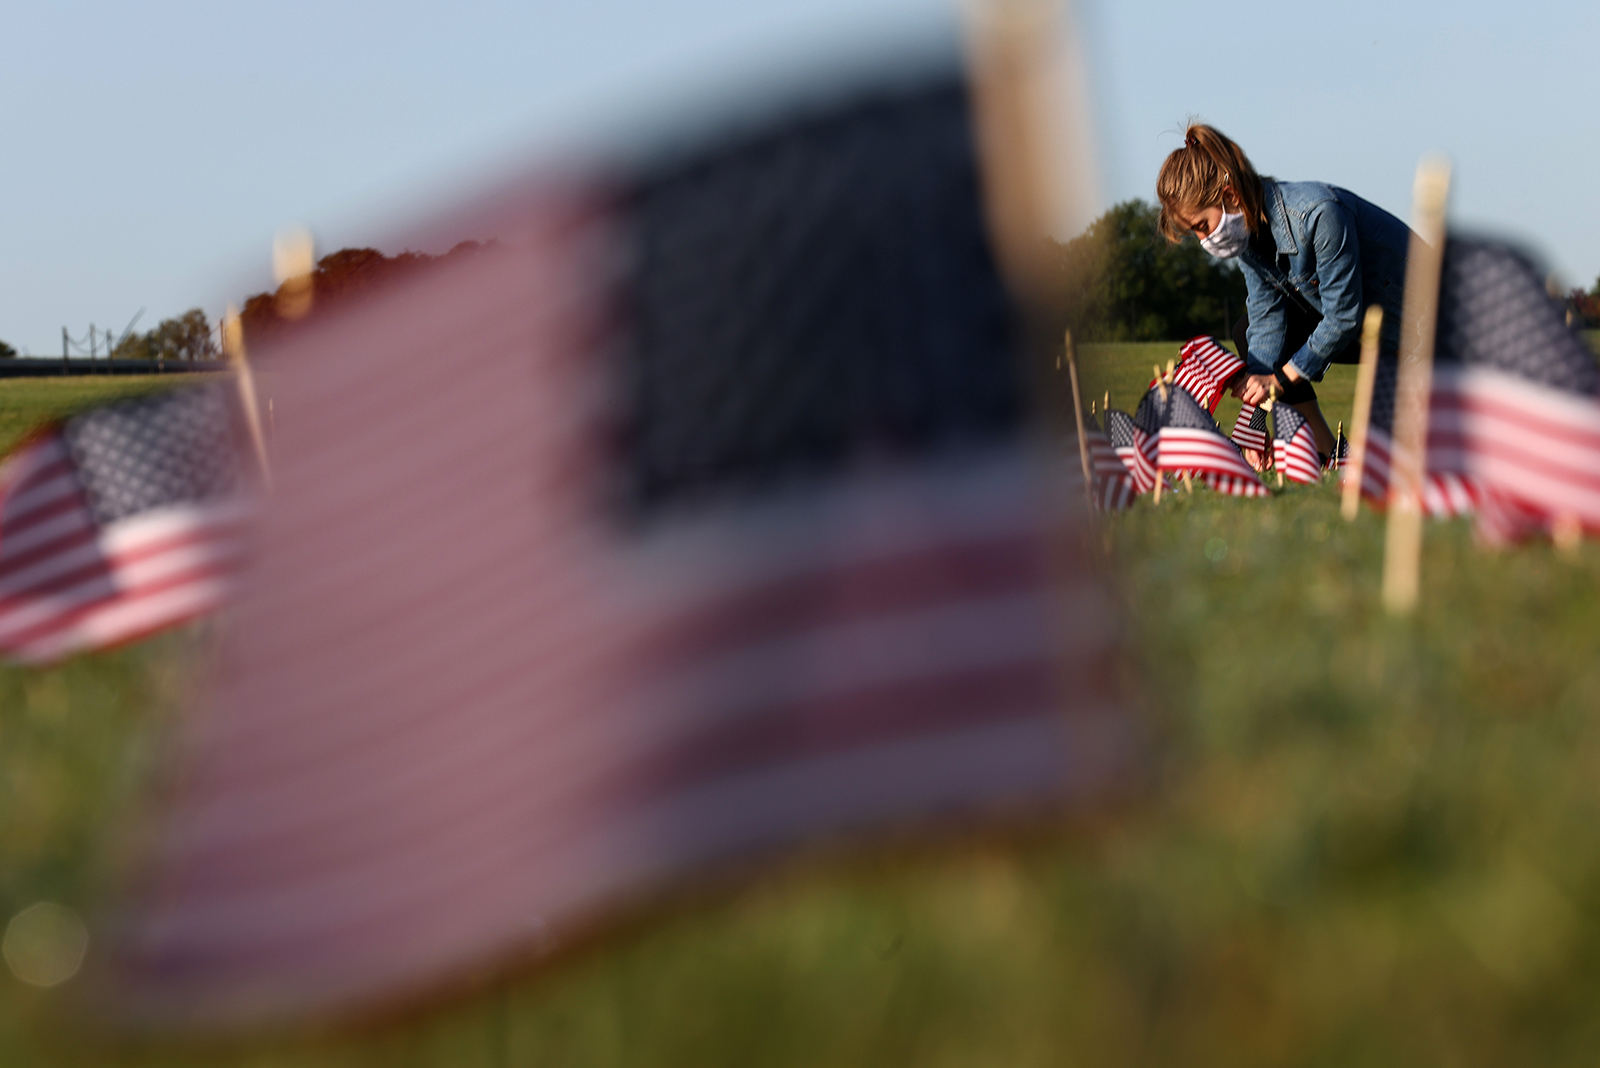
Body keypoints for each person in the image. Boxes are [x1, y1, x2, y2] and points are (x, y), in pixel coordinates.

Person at [1155, 123, 1411, 467]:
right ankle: (1327, 453)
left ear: (1230, 196)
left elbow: (1343, 317)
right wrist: (1254, 421)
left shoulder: (1320, 214)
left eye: (1202, 225)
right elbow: (1266, 323)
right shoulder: (1248, 238)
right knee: (1245, 330)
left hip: (1417, 333)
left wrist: (1278, 380)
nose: (1204, 241)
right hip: (1368, 329)